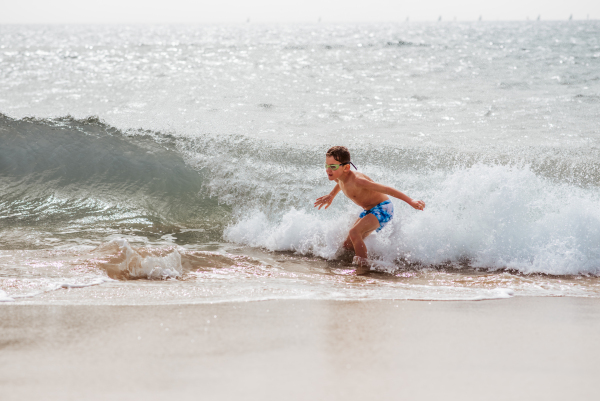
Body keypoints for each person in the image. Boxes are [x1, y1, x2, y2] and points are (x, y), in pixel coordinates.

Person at [314, 146, 425, 274]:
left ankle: (364, 268)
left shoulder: (358, 181)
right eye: (326, 165)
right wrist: (331, 195)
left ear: (346, 167)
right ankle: (362, 261)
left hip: (383, 208)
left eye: (333, 166)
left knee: (354, 233)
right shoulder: (341, 177)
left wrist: (411, 201)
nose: (328, 170)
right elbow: (340, 183)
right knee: (348, 245)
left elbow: (387, 189)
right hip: (370, 210)